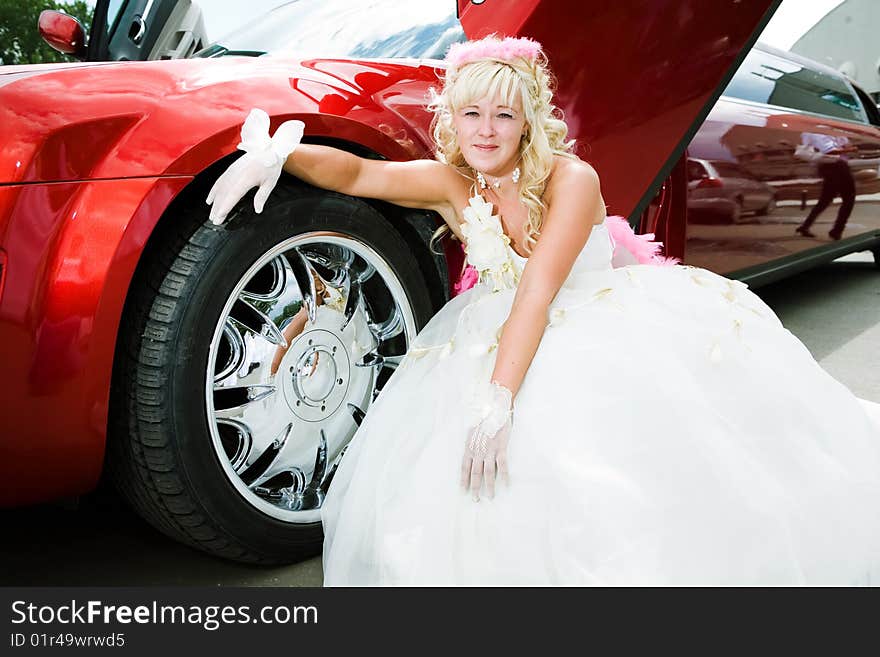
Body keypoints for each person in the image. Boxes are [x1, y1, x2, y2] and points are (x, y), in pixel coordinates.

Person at [207, 36, 880, 585]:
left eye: (504, 114)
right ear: (453, 120)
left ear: (530, 118)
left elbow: (538, 290)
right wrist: (281, 154)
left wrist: (498, 402)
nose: (486, 130)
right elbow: (360, 175)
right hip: (494, 329)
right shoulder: (454, 181)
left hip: (593, 320)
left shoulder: (571, 178)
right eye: (471, 114)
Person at [794, 132, 857, 240]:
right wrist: (850, 150)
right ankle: (837, 230)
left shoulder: (828, 133)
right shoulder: (818, 133)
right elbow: (829, 151)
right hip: (836, 166)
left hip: (830, 167)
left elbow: (845, 143)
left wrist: (844, 144)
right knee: (849, 198)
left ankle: (805, 226)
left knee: (825, 200)